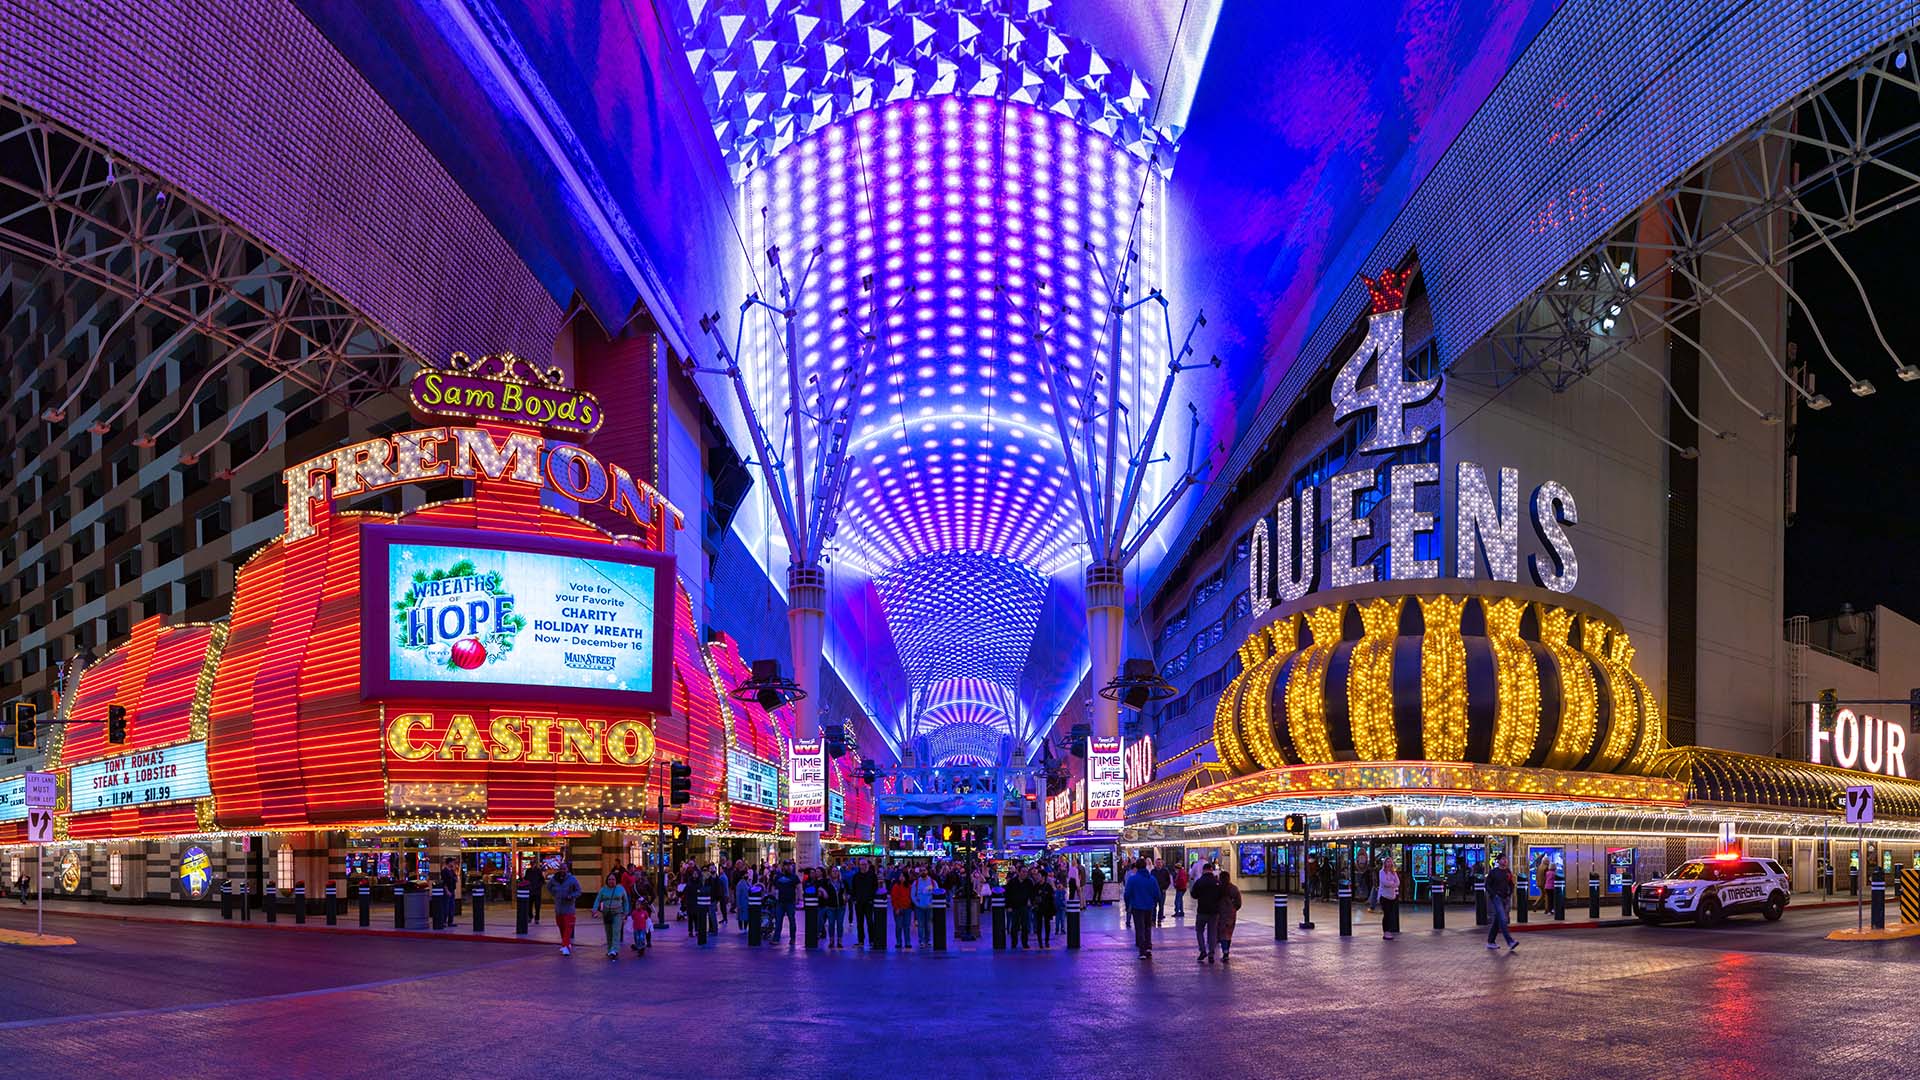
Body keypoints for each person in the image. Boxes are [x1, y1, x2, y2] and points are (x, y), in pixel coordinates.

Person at [1122, 859, 1158, 959]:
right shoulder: (1152, 879)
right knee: (1147, 927)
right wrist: (1154, 903)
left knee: (1140, 928)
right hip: (1149, 906)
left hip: (1137, 907)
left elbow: (1127, 893)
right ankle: (1148, 947)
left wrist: (1127, 904)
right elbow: (1157, 893)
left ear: (1136, 867)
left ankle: (1142, 951)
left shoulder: (1133, 879)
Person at [1485, 854, 1519, 952]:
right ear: (1498, 861)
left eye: (1506, 859)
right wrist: (1493, 895)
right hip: (1497, 898)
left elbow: (1511, 884)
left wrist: (1510, 893)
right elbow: (1487, 885)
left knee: (1497, 920)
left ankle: (1490, 941)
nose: (1505, 861)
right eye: (1503, 859)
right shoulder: (1493, 872)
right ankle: (1510, 941)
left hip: (1505, 898)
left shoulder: (1508, 872)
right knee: (1503, 919)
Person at [593, 870, 630, 959]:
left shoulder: (620, 889)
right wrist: (594, 909)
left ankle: (615, 950)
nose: (611, 881)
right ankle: (610, 950)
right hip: (607, 914)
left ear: (616, 880)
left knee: (616, 931)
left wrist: (626, 912)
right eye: (609, 879)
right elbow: (598, 899)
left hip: (618, 913)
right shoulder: (603, 889)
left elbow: (625, 901)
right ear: (607, 880)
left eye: (613, 879)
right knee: (609, 932)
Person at [548, 863, 582, 956]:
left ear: (567, 869)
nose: (562, 870)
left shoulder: (572, 879)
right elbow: (549, 887)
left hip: (569, 908)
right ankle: (566, 943)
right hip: (558, 908)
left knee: (568, 928)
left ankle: (565, 946)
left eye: (564, 869)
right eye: (561, 869)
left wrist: (571, 896)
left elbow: (579, 891)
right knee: (561, 927)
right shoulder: (554, 879)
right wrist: (554, 894)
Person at [1190, 861, 1222, 963]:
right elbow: (1221, 895)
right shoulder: (1217, 882)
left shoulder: (1199, 881)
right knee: (1212, 933)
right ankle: (1211, 954)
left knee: (1199, 931)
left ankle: (1202, 950)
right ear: (1211, 870)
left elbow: (1194, 895)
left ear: (1203, 870)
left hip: (1202, 910)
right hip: (1214, 911)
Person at [1215, 867, 1242, 962]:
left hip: (1220, 913)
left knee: (1222, 933)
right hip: (1231, 914)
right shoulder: (1234, 888)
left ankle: (1225, 950)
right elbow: (1238, 903)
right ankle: (1226, 951)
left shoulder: (1218, 888)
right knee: (1228, 933)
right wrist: (1233, 908)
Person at [851, 859, 879, 947]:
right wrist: (854, 899)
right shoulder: (856, 876)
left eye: (865, 864)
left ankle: (872, 940)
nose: (863, 866)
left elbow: (875, 887)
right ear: (859, 865)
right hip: (859, 903)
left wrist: (872, 898)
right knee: (860, 923)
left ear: (868, 865)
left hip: (869, 903)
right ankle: (861, 941)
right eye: (861, 864)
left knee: (870, 922)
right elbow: (853, 889)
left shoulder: (872, 875)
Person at [771, 861, 800, 946]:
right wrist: (773, 894)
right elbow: (773, 886)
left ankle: (793, 938)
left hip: (790, 902)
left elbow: (799, 887)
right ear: (783, 867)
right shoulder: (778, 876)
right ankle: (776, 938)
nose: (789, 867)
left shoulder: (794, 877)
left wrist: (799, 899)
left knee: (792, 920)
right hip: (780, 902)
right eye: (787, 865)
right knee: (778, 921)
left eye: (790, 865)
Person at [818, 869, 844, 947]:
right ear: (830, 873)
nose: (835, 872)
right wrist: (824, 892)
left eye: (836, 871)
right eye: (833, 871)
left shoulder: (842, 882)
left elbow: (848, 891)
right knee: (831, 924)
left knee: (840, 924)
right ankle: (831, 940)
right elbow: (819, 888)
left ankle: (839, 941)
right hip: (830, 907)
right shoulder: (827, 882)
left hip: (841, 907)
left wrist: (847, 897)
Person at [1378, 857, 1401, 940]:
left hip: (1392, 896)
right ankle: (1386, 932)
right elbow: (1384, 883)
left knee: (1391, 915)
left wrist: (1392, 884)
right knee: (1386, 914)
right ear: (1385, 863)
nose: (1389, 863)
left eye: (1390, 862)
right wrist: (1392, 883)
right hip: (1384, 896)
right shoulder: (1382, 872)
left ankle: (1389, 931)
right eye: (1387, 862)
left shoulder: (1393, 873)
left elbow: (1398, 882)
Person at [910, 868, 934, 947]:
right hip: (919, 908)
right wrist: (917, 904)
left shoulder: (932, 882)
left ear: (927, 871)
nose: (923, 872)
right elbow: (913, 895)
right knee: (920, 925)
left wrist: (931, 903)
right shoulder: (916, 883)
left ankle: (928, 940)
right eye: (921, 870)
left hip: (929, 907)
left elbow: (937, 893)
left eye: (925, 870)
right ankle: (921, 941)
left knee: (928, 925)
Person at [889, 873, 913, 949]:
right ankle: (898, 942)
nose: (901, 877)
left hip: (907, 908)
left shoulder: (909, 886)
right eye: (900, 876)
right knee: (899, 926)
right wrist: (896, 908)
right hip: (898, 909)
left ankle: (907, 942)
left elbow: (911, 896)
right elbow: (894, 898)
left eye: (903, 876)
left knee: (907, 926)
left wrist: (910, 905)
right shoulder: (896, 886)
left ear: (906, 878)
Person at [1034, 871, 1057, 947]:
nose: (1037, 876)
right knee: (1039, 925)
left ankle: (1047, 941)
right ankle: (1040, 941)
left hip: (1047, 909)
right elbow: (1033, 896)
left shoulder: (1048, 886)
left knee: (1047, 925)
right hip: (1038, 908)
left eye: (1038, 875)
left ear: (1043, 877)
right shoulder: (1036, 886)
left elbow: (1052, 898)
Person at [1152, 858, 1172, 924]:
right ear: (1155, 863)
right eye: (1157, 863)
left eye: (1160, 863)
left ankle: (1159, 919)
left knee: (1161, 906)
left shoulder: (1165, 871)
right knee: (1153, 906)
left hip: (1162, 891)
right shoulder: (1153, 871)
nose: (1159, 864)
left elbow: (1168, 881)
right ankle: (1153, 919)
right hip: (1154, 892)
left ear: (1162, 863)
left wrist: (1165, 888)